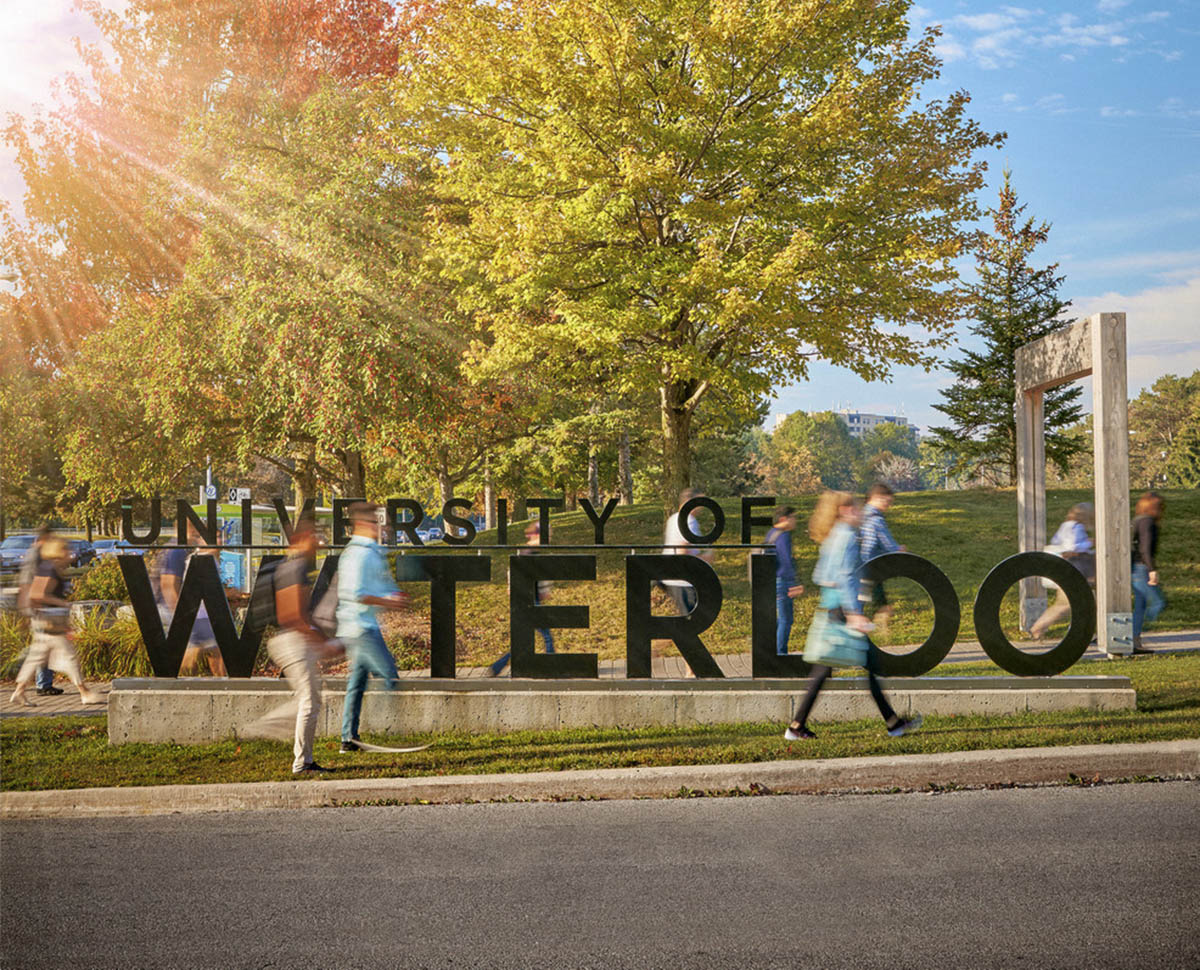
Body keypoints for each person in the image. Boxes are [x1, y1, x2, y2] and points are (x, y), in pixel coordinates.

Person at [784, 492, 921, 741]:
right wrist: (854, 614)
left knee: (823, 670)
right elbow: (846, 577)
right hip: (842, 611)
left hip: (830, 607)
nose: (860, 513)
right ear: (846, 510)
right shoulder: (846, 537)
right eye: (857, 509)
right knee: (869, 666)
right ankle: (893, 724)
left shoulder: (831, 536)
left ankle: (796, 726)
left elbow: (820, 575)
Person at [245, 517, 341, 774]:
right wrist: (323, 642)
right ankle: (301, 761)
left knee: (311, 699)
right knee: (310, 700)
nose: (319, 541)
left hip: (293, 640)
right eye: (314, 536)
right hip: (292, 641)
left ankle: (275, 732)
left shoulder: (294, 567)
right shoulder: (294, 568)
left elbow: (300, 617)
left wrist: (323, 641)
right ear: (300, 539)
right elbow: (292, 616)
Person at [337, 502, 409, 753]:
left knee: (356, 683)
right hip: (360, 628)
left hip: (364, 625)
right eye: (378, 521)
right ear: (363, 524)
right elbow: (358, 594)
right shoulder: (360, 553)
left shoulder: (372, 551)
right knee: (389, 674)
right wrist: (389, 600)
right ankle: (393, 726)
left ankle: (348, 738)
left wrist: (393, 595)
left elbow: (377, 586)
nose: (384, 525)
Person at [10, 536, 104, 707]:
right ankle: (84, 692)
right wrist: (63, 603)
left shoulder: (52, 568)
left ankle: (19, 691)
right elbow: (38, 594)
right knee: (69, 657)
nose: (70, 554)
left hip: (47, 621)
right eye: (66, 550)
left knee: (36, 658)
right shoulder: (50, 569)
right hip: (51, 621)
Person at [157, 522, 228, 677]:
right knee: (215, 651)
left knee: (199, 651)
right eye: (196, 532)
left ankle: (175, 680)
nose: (196, 536)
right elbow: (169, 584)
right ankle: (225, 686)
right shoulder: (180, 552)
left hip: (198, 613)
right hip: (197, 613)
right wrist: (181, 617)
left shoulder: (190, 553)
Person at [488, 522, 554, 677]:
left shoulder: (523, 553)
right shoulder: (531, 554)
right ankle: (552, 664)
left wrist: (511, 588)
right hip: (531, 600)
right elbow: (540, 576)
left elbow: (513, 573)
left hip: (523, 600)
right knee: (545, 634)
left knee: (524, 638)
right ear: (536, 535)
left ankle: (498, 666)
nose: (548, 539)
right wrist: (544, 590)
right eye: (546, 535)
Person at [1029, 503, 1095, 641]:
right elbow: (1072, 548)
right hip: (1073, 573)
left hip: (1068, 572)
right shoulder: (1076, 527)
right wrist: (1090, 543)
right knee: (1064, 604)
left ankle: (1089, 633)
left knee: (1080, 603)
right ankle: (1038, 628)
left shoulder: (1066, 525)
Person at [16, 525, 61, 696]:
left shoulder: (33, 553)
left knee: (43, 645)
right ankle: (43, 683)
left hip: (35, 604)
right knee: (43, 646)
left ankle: (43, 682)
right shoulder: (37, 555)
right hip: (38, 605)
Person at [858, 483, 905, 630]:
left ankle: (867, 622)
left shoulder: (860, 515)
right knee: (875, 601)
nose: (888, 505)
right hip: (871, 567)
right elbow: (887, 543)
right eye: (887, 501)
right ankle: (877, 617)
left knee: (861, 601)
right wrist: (899, 550)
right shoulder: (876, 520)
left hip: (859, 566)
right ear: (876, 498)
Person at [661, 488, 715, 615]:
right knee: (692, 620)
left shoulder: (673, 518)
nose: (701, 507)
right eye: (699, 502)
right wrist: (707, 558)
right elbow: (682, 553)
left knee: (686, 620)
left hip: (670, 575)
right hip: (683, 580)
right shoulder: (689, 521)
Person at [764, 506, 803, 656]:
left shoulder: (771, 534)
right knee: (786, 619)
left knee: (781, 619)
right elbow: (786, 561)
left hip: (773, 580)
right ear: (783, 519)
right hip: (783, 581)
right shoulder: (783, 536)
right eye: (792, 517)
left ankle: (775, 651)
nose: (795, 521)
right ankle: (780, 654)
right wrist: (795, 584)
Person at [1131, 492, 1167, 655]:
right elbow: (1145, 549)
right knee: (1158, 603)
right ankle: (1133, 635)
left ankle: (1135, 640)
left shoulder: (1138, 520)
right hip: (1141, 568)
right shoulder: (1147, 522)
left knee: (1141, 604)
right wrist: (1152, 570)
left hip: (1135, 567)